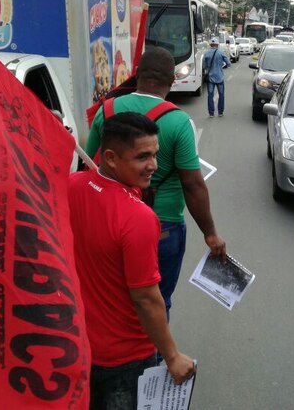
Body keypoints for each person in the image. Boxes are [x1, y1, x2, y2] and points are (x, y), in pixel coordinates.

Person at [86, 46, 227, 324]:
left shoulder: (108, 109)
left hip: (108, 220)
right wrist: (210, 233)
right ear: (171, 81)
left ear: (136, 74)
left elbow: (89, 166)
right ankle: (154, 361)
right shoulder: (178, 121)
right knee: (157, 301)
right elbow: (193, 184)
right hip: (161, 226)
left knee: (112, 297)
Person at [70, 112, 196, 408]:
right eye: (143, 157)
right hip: (125, 358)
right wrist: (172, 356)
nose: (154, 165)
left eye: (155, 154)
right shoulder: (138, 218)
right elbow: (147, 299)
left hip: (78, 345)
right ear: (111, 158)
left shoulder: (71, 185)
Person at [202, 37, 231, 118]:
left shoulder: (206, 54)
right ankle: (220, 112)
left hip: (210, 78)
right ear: (217, 45)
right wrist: (221, 65)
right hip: (220, 78)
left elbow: (204, 66)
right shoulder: (221, 53)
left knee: (210, 95)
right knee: (221, 95)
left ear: (211, 45)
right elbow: (228, 63)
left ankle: (211, 113)